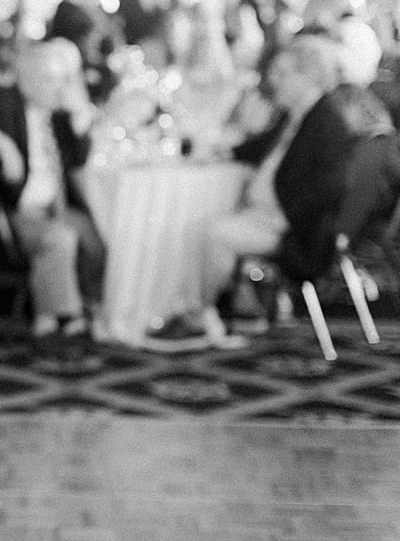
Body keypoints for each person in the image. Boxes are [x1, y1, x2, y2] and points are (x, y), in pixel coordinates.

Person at [147, 35, 353, 350]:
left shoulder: (327, 123)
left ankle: (202, 314)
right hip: (264, 216)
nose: (274, 81)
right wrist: (224, 152)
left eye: (282, 74)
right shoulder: (297, 115)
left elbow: (331, 188)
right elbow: (259, 148)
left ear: (307, 77)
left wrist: (284, 218)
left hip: (294, 231)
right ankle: (216, 308)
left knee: (211, 233)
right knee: (193, 225)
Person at [0, 39, 105, 346]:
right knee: (59, 239)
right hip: (16, 211)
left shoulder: (58, 116)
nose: (59, 88)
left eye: (62, 80)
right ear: (28, 81)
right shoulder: (3, 101)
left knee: (96, 238)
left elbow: (78, 160)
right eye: (50, 80)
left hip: (56, 208)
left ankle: (75, 309)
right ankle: (65, 320)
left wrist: (79, 117)